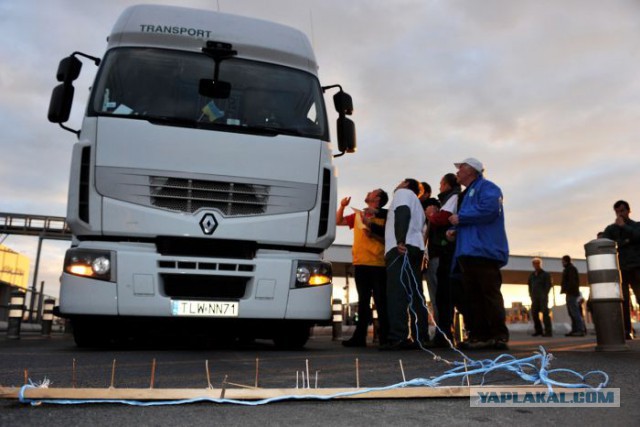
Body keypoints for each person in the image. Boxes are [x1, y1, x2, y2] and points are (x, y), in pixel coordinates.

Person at [447, 158, 509, 350]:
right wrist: (455, 231)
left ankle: (498, 335)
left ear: (472, 171)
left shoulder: (487, 187)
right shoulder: (467, 193)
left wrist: (461, 218)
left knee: (488, 294)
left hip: (484, 250)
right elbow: (472, 219)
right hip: (468, 251)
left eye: (461, 168)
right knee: (474, 296)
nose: (457, 172)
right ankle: (480, 335)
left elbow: (490, 209)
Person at [336, 189, 389, 347]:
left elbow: (388, 236)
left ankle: (385, 337)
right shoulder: (359, 215)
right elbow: (338, 221)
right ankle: (359, 337)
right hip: (360, 263)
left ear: (377, 199)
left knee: (380, 301)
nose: (368, 192)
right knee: (363, 302)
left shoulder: (386, 216)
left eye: (372, 192)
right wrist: (342, 206)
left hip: (378, 263)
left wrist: (372, 231)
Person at [381, 178, 428, 350]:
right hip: (415, 247)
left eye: (401, 182)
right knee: (415, 293)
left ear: (407, 184)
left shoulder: (402, 193)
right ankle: (421, 336)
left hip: (400, 248)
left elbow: (402, 211)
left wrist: (400, 240)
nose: (397, 184)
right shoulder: (418, 205)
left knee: (397, 293)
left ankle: (398, 337)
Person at [425, 173, 461, 346]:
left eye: (441, 184)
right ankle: (446, 333)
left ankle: (444, 335)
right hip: (444, 252)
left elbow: (442, 218)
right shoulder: (451, 198)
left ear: (446, 185)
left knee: (442, 296)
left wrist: (432, 215)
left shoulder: (452, 197)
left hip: (442, 253)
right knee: (443, 296)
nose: (439, 187)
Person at [602, 200, 640, 340]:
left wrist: (624, 227)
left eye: (622, 210)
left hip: (636, 268)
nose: (620, 213)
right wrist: (626, 242)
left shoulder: (636, 225)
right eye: (617, 211)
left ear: (629, 211)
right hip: (621, 270)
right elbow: (604, 242)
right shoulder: (611, 229)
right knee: (623, 301)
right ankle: (627, 330)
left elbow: (638, 236)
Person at [420, 181, 441, 327]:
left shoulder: (431, 204)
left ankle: (442, 331)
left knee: (436, 295)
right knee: (433, 294)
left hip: (431, 254)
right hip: (427, 255)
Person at [560, 255, 585, 336]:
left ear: (566, 261)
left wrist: (568, 290)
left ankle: (580, 330)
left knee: (575, 312)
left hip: (572, 293)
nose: (562, 263)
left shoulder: (571, 269)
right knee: (571, 313)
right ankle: (575, 330)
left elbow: (572, 282)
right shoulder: (569, 269)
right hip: (570, 293)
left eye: (562, 261)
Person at [528, 257, 553, 337]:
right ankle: (538, 331)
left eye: (537, 263)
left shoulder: (545, 274)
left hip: (543, 297)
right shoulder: (531, 276)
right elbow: (530, 286)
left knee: (545, 313)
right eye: (534, 263)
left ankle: (548, 331)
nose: (536, 265)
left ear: (540, 264)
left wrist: (544, 294)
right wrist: (531, 295)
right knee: (534, 313)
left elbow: (548, 285)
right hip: (534, 298)